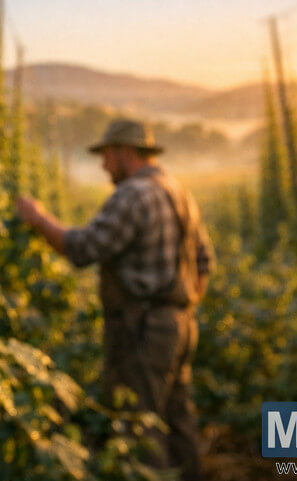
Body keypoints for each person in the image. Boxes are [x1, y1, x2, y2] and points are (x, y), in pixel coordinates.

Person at [16, 118, 214, 481]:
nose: (104, 165)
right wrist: (179, 311)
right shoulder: (176, 189)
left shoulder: (133, 196)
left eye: (107, 156)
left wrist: (38, 219)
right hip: (181, 326)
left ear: (125, 152)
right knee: (178, 417)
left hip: (143, 330)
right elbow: (204, 261)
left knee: (141, 428)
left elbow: (83, 248)